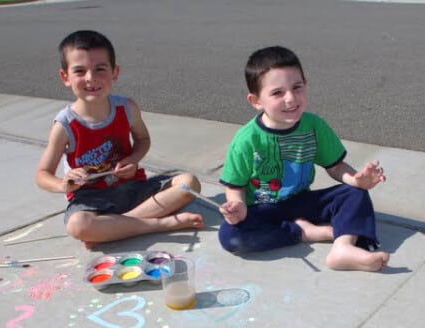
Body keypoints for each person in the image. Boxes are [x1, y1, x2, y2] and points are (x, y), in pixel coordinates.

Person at [218, 46, 390, 272]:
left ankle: (343, 247)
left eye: (297, 88)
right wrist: (237, 206)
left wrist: (357, 180)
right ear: (256, 100)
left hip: (301, 200)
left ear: (305, 85)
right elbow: (235, 186)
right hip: (262, 208)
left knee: (354, 194)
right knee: (230, 235)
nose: (290, 98)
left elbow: (336, 166)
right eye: (277, 93)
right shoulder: (246, 140)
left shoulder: (314, 126)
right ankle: (306, 232)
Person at [35, 30, 203, 249]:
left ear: (114, 73)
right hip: (93, 199)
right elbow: (42, 175)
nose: (91, 78)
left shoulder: (126, 108)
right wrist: (64, 184)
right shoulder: (65, 125)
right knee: (78, 225)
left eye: (100, 69)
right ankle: (158, 225)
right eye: (79, 71)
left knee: (189, 184)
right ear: (65, 77)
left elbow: (142, 139)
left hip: (133, 188)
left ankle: (115, 228)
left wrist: (133, 159)